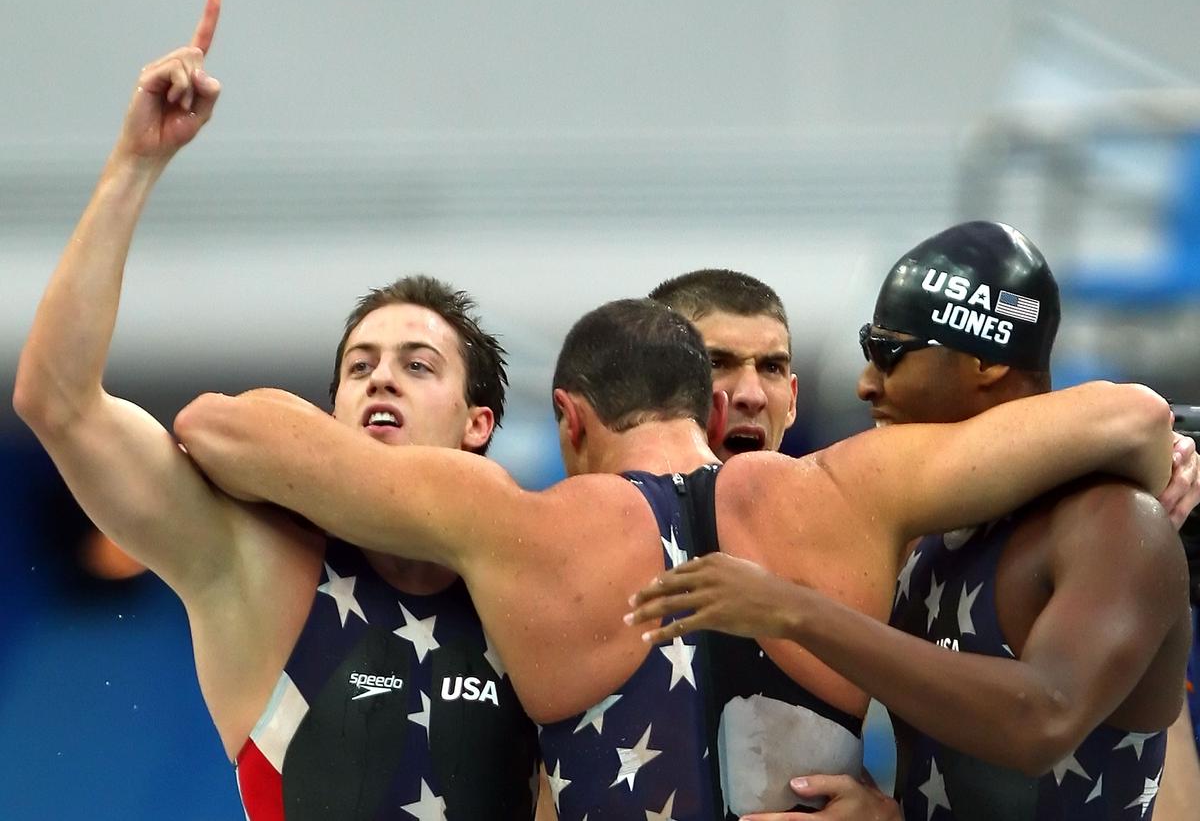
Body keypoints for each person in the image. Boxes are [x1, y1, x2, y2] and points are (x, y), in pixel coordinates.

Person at [176, 277, 1175, 818]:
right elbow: (1123, 413)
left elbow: (221, 427)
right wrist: (1172, 453)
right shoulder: (849, 488)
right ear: (709, 405)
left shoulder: (510, 523)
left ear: (568, 419)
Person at [12, 0, 540, 818]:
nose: (381, 378)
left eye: (418, 363)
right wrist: (133, 165)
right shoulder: (258, 568)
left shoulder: (542, 588)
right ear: (330, 411)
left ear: (480, 424)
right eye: (359, 365)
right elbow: (58, 402)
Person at [628, 221, 1195, 819]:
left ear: (983, 362)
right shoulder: (927, 539)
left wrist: (794, 610)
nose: (865, 384)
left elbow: (1040, 719)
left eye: (888, 355)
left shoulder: (1112, 523)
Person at [649, 269, 797, 462]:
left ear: (792, 402)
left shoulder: (825, 491)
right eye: (715, 364)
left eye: (771, 368)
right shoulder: (607, 491)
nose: (752, 396)